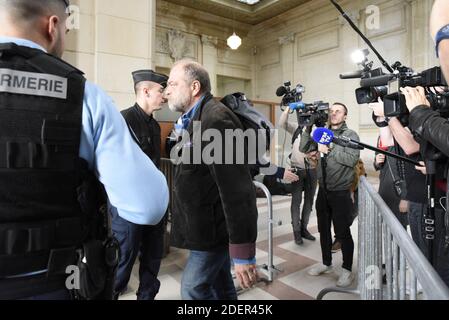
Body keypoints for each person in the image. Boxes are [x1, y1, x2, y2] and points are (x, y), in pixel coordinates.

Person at [0, 0, 168, 300]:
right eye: (67, 28)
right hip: (56, 283)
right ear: (52, 27)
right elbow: (148, 204)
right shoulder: (83, 96)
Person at [165, 59, 258, 300]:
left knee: (192, 289)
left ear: (194, 87)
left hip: (213, 232)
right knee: (221, 286)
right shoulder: (195, 118)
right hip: (203, 228)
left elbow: (238, 191)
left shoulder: (216, 121)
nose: (167, 91)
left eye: (173, 84)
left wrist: (242, 252)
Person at [112, 70, 169, 300]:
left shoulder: (155, 127)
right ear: (145, 91)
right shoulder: (122, 120)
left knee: (152, 258)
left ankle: (146, 297)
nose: (164, 96)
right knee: (123, 260)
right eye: (160, 91)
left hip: (153, 205)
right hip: (128, 208)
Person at [300, 103, 360, 288]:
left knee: (342, 232)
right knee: (323, 230)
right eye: (331, 111)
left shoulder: (350, 135)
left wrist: (330, 148)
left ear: (345, 116)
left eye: (338, 111)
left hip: (341, 192)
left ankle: (347, 270)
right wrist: (308, 126)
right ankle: (326, 264)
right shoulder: (321, 132)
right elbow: (304, 147)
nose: (333, 114)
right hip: (323, 191)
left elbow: (351, 159)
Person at [279, 106, 318, 245]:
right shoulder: (296, 127)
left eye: (306, 113)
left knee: (309, 201)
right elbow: (282, 123)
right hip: (296, 169)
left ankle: (304, 229)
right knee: (296, 202)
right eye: (301, 113)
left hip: (313, 169)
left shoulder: (316, 129)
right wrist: (287, 109)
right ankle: (296, 231)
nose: (303, 115)